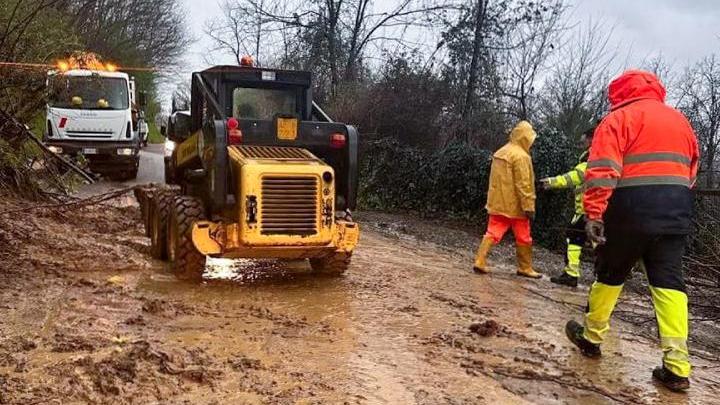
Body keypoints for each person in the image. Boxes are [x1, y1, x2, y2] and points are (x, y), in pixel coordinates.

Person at [564, 70, 700, 392]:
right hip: (675, 211)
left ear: (618, 94)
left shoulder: (617, 120)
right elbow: (692, 170)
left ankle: (592, 337)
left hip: (629, 210)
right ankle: (677, 367)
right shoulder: (680, 121)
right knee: (669, 285)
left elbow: (601, 172)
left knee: (610, 273)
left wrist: (594, 213)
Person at [473, 120, 541, 279]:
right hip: (516, 206)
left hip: (497, 202)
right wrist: (529, 206)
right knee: (524, 236)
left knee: (492, 232)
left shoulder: (500, 152)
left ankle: (480, 260)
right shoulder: (522, 157)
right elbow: (524, 184)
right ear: (526, 138)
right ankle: (525, 267)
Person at [539, 124, 596, 287]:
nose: (582, 143)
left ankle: (576, 275)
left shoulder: (590, 163)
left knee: (584, 242)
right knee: (579, 240)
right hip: (588, 212)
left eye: (585, 140)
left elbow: (572, 178)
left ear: (592, 140)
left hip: (589, 212)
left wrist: (549, 183)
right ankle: (576, 274)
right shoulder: (596, 160)